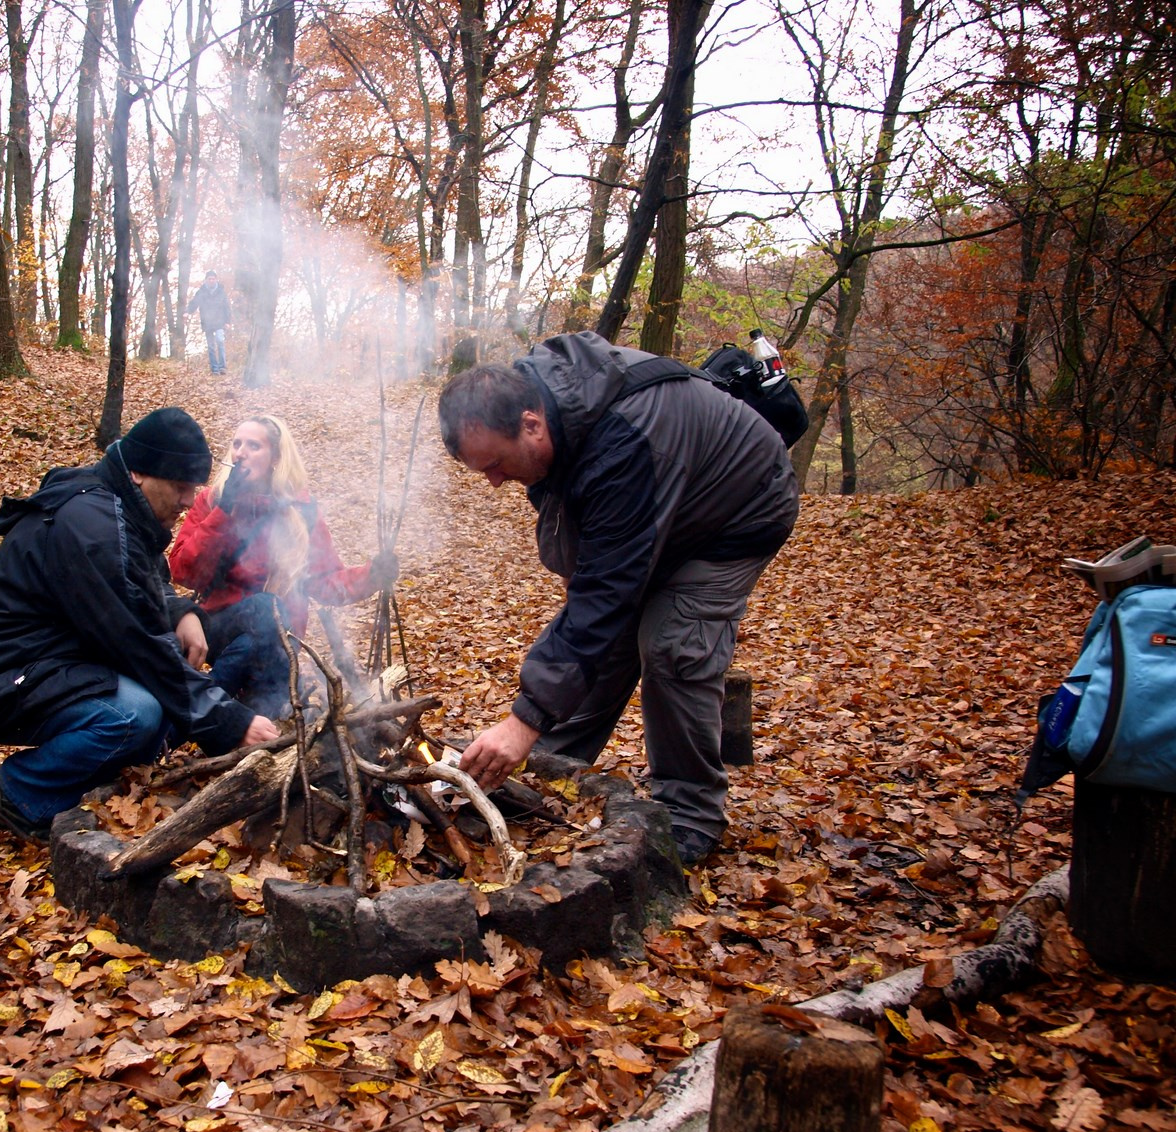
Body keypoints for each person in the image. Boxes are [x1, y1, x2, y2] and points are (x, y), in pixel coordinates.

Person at [437, 331, 799, 865]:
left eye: (494, 464)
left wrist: (523, 720)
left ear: (531, 425)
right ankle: (547, 766)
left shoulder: (626, 439)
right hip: (660, 505)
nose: (493, 482)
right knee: (601, 645)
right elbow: (597, 590)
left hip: (736, 511)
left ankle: (690, 816)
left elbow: (607, 592)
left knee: (673, 646)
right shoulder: (535, 403)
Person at [0, 407, 281, 841]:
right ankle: (22, 792)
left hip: (53, 659)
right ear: (140, 473)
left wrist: (183, 613)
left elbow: (144, 587)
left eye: (192, 488)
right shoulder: (90, 523)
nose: (186, 501)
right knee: (134, 714)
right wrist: (230, 721)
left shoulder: (120, 508)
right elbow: (136, 644)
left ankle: (92, 776)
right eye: (180, 487)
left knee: (162, 693)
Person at [168, 414, 399, 716]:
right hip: (219, 626)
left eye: (254, 446)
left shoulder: (300, 510)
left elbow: (326, 582)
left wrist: (372, 575)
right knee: (268, 608)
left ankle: (246, 718)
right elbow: (183, 569)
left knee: (269, 629)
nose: (241, 453)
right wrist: (224, 512)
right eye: (237, 444)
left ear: (276, 457)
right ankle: (202, 711)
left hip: (278, 643)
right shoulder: (215, 501)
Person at [187, 270, 231, 374]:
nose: (211, 280)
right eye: (209, 279)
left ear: (216, 279)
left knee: (220, 340)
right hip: (207, 322)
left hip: (219, 321)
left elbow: (227, 307)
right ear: (206, 280)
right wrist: (187, 312)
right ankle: (214, 369)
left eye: (213, 279)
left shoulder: (221, 292)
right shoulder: (201, 292)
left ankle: (222, 367)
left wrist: (228, 321)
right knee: (211, 346)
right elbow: (194, 303)